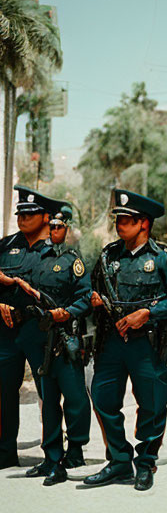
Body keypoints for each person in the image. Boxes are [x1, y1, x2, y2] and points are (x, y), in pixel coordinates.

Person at [84, 189, 167, 491]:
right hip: (111, 341)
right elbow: (89, 289)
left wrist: (148, 312)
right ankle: (119, 461)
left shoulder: (160, 257)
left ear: (144, 223)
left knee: (152, 403)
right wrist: (92, 299)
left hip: (147, 342)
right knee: (104, 398)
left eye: (127, 220)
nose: (120, 225)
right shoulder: (108, 256)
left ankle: (145, 462)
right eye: (118, 219)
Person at [17, 202, 93, 484]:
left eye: (60, 227)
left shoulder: (74, 260)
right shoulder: (39, 257)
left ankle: (74, 450)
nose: (55, 231)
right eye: (52, 227)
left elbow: (86, 297)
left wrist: (67, 312)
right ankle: (51, 456)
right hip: (42, 338)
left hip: (66, 336)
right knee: (48, 399)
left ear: (68, 230)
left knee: (74, 397)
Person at [0, 187, 65, 469]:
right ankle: (5, 453)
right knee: (3, 392)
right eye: (20, 213)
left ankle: (52, 455)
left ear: (46, 217)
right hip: (6, 330)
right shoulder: (4, 246)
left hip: (41, 330)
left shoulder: (57, 252)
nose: (23, 218)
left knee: (47, 391)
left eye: (30, 213)